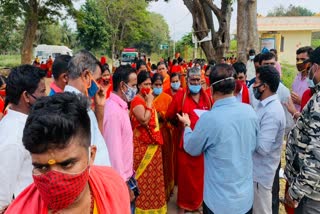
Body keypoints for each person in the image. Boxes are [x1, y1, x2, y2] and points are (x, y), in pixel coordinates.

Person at [5, 93, 130, 213]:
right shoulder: (20, 210)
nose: (54, 180)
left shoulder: (113, 186)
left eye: (66, 164)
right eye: (41, 167)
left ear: (91, 155)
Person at [177, 63, 258, 214]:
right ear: (234, 87)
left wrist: (187, 126)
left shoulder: (209, 119)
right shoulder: (250, 112)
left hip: (218, 202)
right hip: (244, 199)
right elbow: (255, 145)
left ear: (211, 89)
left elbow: (192, 148)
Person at [0, 65, 46, 212]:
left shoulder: (21, 126)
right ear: (26, 96)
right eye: (42, 91)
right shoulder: (15, 135)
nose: (46, 96)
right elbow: (2, 196)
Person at [166, 67, 212, 213]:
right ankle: (183, 205)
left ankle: (197, 204)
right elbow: (169, 115)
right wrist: (180, 127)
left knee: (200, 177)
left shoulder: (207, 97)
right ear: (187, 81)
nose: (196, 82)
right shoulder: (181, 96)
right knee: (185, 178)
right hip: (184, 143)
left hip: (203, 144)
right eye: (193, 80)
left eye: (198, 80)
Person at [284, 46, 320, 214]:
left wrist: (296, 192)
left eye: (310, 65)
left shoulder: (319, 103)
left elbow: (316, 157)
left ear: (316, 67)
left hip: (311, 194)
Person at [65, 50, 110, 166]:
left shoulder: (83, 105)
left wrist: (99, 107)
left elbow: (96, 139)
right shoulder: (74, 108)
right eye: (98, 80)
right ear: (86, 76)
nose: (99, 86)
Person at [130, 71, 167, 213]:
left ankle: (154, 208)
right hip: (142, 148)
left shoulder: (146, 98)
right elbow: (144, 120)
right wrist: (150, 102)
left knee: (154, 182)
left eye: (150, 84)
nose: (148, 87)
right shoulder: (137, 100)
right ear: (139, 85)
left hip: (153, 147)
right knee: (143, 182)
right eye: (145, 84)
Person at [103, 65, 138, 213]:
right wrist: (124, 186)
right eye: (133, 85)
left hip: (127, 175)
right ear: (122, 86)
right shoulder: (113, 112)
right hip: (120, 181)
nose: (135, 89)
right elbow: (114, 153)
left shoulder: (121, 107)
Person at [251, 66, 286, 214]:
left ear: (264, 86)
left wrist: (246, 135)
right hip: (255, 173)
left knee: (261, 210)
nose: (253, 85)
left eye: (256, 82)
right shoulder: (263, 106)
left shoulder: (272, 112)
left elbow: (263, 148)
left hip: (260, 175)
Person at [152, 73, 174, 201]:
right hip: (152, 136)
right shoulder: (146, 98)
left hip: (165, 133)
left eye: (160, 85)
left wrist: (162, 115)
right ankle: (157, 191)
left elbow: (172, 117)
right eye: (156, 85)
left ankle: (167, 190)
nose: (158, 87)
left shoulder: (168, 98)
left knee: (166, 162)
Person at [291, 46, 313, 111]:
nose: (299, 62)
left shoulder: (314, 80)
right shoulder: (297, 77)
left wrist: (301, 101)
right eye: (297, 59)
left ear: (311, 60)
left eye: (303, 59)